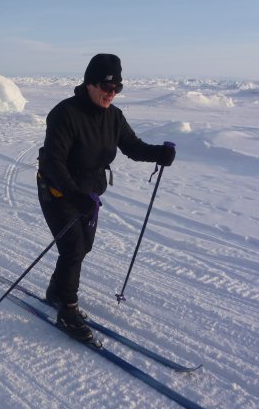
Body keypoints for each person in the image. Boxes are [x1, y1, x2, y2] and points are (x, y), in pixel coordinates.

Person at [37, 53, 176, 342]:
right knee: (73, 247)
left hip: (87, 193)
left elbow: (132, 147)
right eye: (106, 87)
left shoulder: (114, 117)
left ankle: (55, 291)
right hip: (57, 190)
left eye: (117, 89)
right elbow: (53, 162)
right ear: (89, 83)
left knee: (81, 247)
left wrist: (158, 154)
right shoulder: (65, 113)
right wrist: (74, 195)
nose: (111, 94)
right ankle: (68, 309)